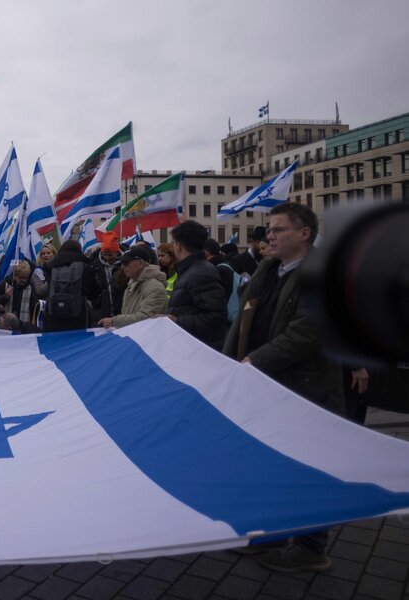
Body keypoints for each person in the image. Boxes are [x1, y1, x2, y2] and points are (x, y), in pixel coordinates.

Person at [223, 203, 344, 573]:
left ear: (304, 233)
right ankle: (271, 535)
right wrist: (225, 364)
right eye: (269, 230)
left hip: (304, 387)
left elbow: (306, 332)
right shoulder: (268, 270)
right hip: (265, 386)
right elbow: (241, 325)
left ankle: (311, 546)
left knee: (307, 468)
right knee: (270, 463)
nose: (268, 236)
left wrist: (254, 361)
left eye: (278, 230)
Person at [157, 220, 227, 350]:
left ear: (179, 245)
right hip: (188, 345)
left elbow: (215, 317)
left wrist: (176, 321)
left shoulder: (202, 273)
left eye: (174, 242)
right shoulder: (190, 270)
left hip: (199, 350)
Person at [98, 246, 167, 329]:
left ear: (140, 263)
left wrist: (114, 321)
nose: (123, 267)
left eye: (126, 263)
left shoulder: (155, 287)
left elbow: (147, 318)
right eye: (122, 263)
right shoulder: (131, 284)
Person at [42, 240, 99, 332]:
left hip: (53, 315)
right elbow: (93, 294)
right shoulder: (84, 266)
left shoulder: (51, 267)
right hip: (78, 316)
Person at [91, 232, 126, 319]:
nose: (107, 258)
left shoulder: (126, 263)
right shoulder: (95, 265)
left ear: (117, 252)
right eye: (105, 255)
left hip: (122, 309)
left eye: (110, 255)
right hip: (101, 310)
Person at [0, 261, 39, 325]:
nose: (24, 280)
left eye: (26, 277)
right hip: (7, 323)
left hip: (23, 325)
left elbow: (34, 307)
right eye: (21, 277)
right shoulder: (7, 282)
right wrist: (5, 296)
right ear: (15, 276)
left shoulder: (30, 286)